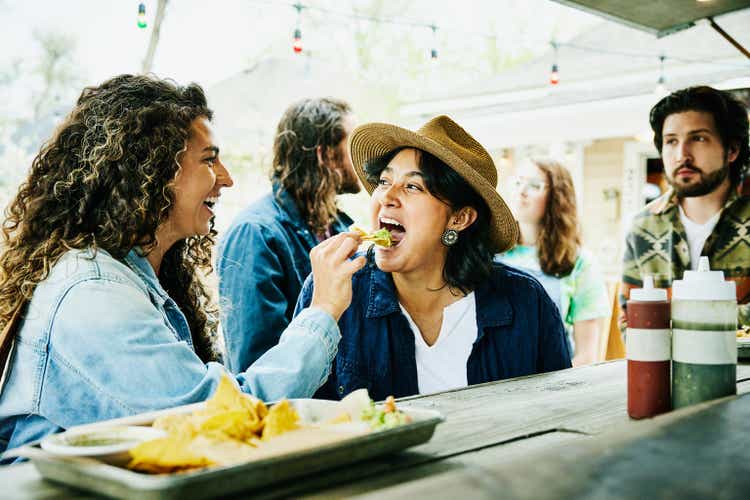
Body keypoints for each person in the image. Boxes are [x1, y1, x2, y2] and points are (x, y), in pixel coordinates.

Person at [0, 75, 365, 456]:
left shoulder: (141, 272)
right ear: (151, 170)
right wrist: (323, 311)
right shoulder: (93, 293)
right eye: (209, 159)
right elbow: (216, 420)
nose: (227, 177)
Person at [295, 115, 572, 401]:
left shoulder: (526, 303)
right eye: (383, 180)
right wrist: (322, 312)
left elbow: (558, 413)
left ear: (460, 218)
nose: (386, 196)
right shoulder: (331, 291)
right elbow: (296, 420)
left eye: (412, 186)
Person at [217, 98, 360, 373]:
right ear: (325, 155)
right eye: (352, 144)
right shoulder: (255, 234)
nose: (365, 157)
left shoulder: (340, 228)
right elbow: (256, 363)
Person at [621, 86, 750, 325]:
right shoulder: (643, 225)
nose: (682, 154)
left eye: (698, 138)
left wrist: (674, 317)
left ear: (732, 149)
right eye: (671, 141)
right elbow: (632, 318)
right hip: (667, 364)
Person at [496, 159, 609, 366]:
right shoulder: (491, 254)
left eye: (534, 186)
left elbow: (587, 356)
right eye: (518, 182)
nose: (521, 191)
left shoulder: (580, 263)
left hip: (554, 383)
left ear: (557, 198)